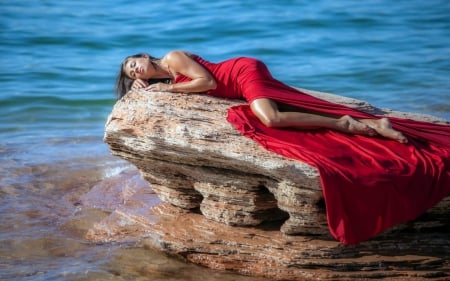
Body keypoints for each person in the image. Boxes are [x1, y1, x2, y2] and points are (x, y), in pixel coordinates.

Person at [115, 50, 408, 143]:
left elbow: (207, 81)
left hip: (241, 72)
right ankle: (377, 123)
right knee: (296, 104)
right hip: (238, 85)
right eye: (132, 74)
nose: (136, 71)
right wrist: (147, 89)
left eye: (134, 64)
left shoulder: (173, 58)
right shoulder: (163, 77)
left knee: (271, 119)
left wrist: (168, 88)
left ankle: (346, 123)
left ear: (143, 56)